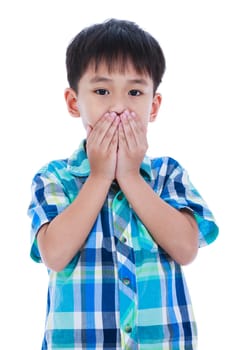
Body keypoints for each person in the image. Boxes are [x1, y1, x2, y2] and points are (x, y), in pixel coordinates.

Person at [28, 18, 219, 350]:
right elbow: (54, 254)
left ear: (154, 105)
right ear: (74, 103)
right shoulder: (54, 177)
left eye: (135, 92)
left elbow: (186, 249)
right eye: (102, 91)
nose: (118, 107)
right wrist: (101, 175)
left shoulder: (167, 174)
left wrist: (130, 176)